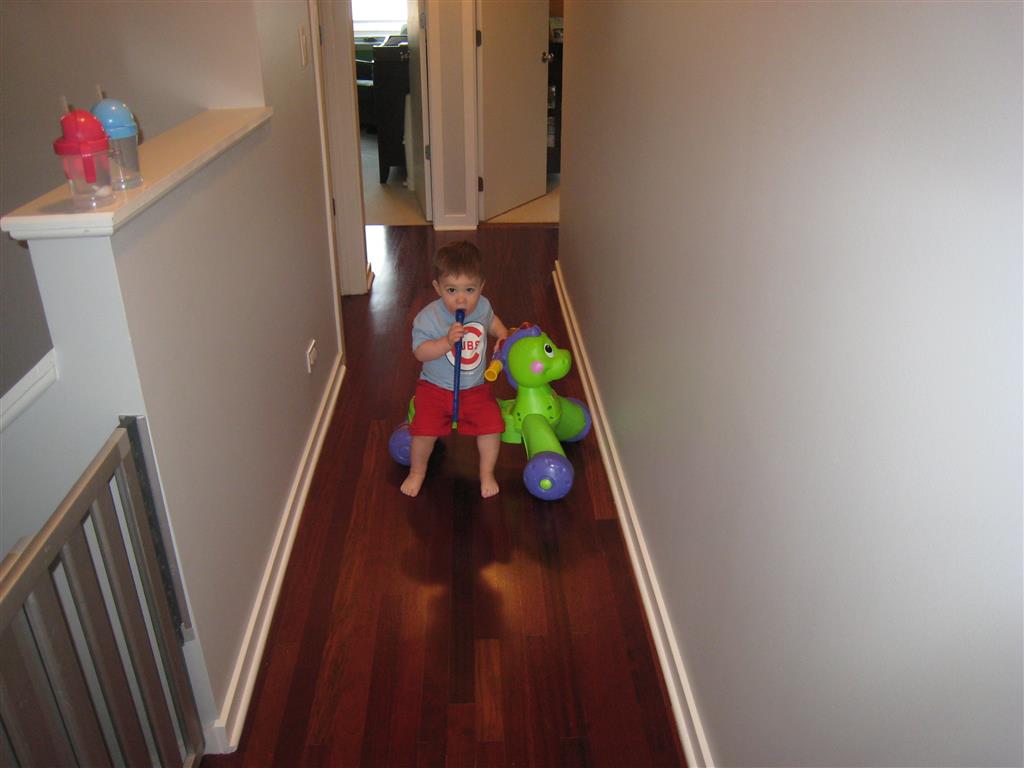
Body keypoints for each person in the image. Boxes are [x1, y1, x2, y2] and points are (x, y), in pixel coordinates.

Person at [401, 241, 508, 498]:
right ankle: (417, 471)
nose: (461, 298)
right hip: (435, 388)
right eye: (451, 290)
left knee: (492, 426)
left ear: (481, 286)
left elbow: (492, 321)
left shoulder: (482, 307)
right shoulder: (429, 318)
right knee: (423, 432)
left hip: (474, 388)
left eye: (469, 289)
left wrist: (502, 334)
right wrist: (445, 342)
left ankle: (486, 473)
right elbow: (420, 352)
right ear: (437, 288)